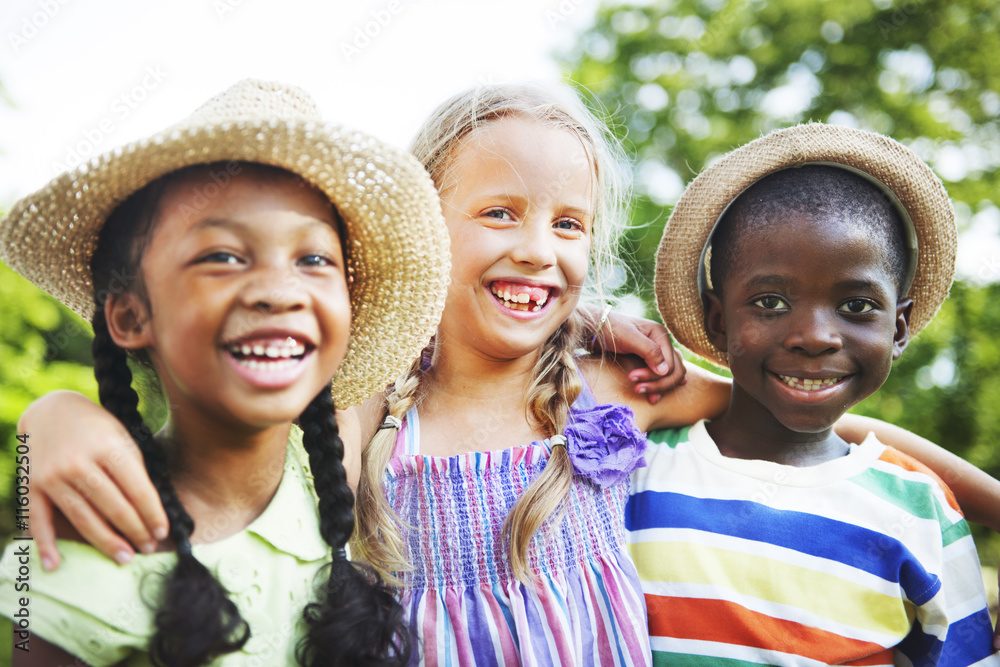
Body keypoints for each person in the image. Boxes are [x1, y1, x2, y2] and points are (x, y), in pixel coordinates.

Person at [13, 85, 1000, 666]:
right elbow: (226, 458)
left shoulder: (606, 396)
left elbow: (806, 429)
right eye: (499, 213)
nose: (537, 249)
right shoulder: (364, 398)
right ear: (420, 226)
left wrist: (988, 503)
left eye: (567, 224)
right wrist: (56, 414)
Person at [0, 79, 452, 666]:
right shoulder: (71, 553)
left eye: (313, 259)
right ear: (132, 314)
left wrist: (600, 323)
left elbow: (494, 333)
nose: (278, 291)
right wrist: (46, 417)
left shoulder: (326, 465)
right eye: (222, 257)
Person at [628, 123, 998, 665]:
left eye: (856, 307)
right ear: (717, 319)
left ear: (898, 331)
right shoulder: (637, 469)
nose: (816, 337)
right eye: (771, 302)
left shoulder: (919, 508)